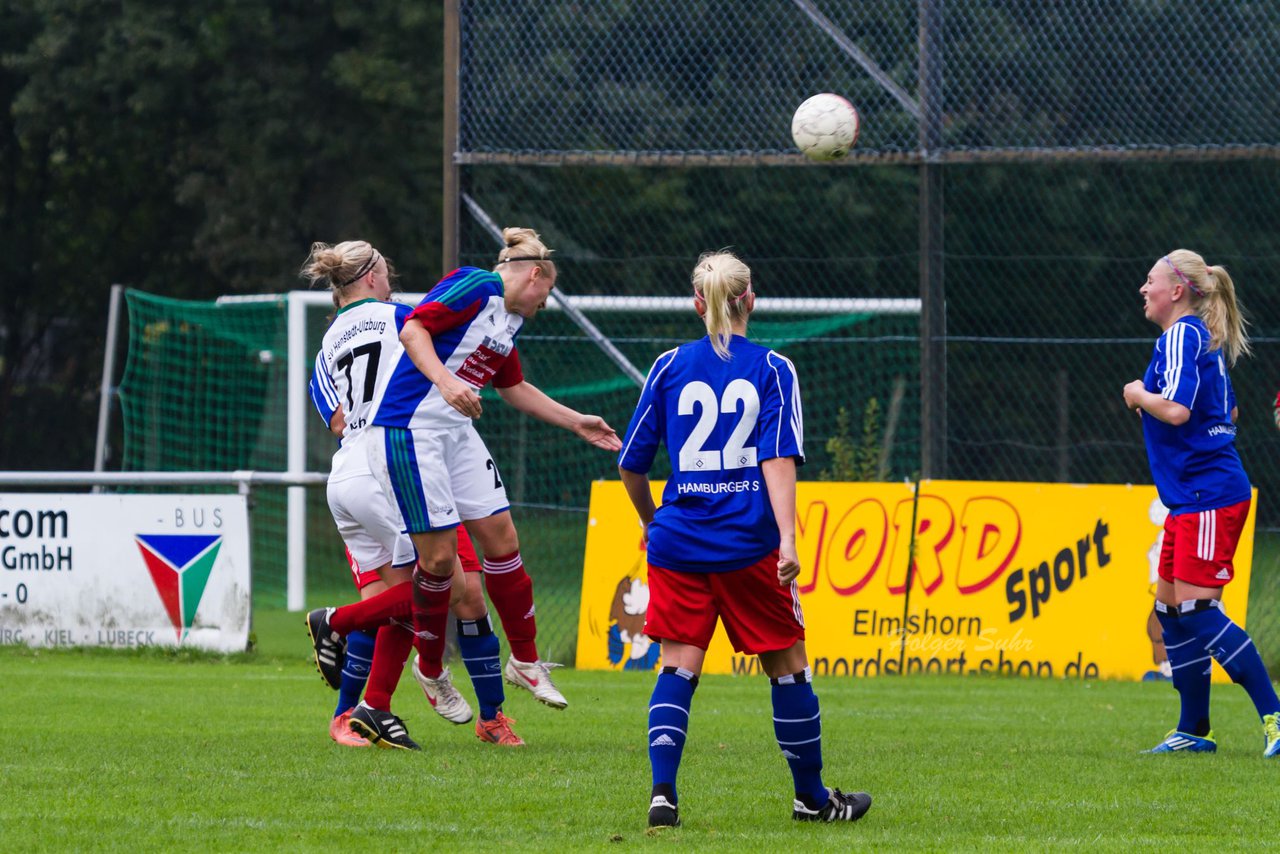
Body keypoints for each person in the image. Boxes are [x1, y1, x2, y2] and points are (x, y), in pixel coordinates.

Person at [617, 250, 872, 828]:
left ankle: (662, 794)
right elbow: (778, 458)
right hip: (747, 546)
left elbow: (632, 465)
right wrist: (788, 538)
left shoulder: (668, 365)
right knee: (788, 667)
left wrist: (653, 521)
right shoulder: (773, 369)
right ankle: (811, 798)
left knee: (678, 665)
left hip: (679, 543)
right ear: (750, 299)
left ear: (696, 303)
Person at [365, 227, 622, 746]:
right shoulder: (476, 284)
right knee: (440, 564)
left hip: (456, 433)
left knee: (503, 541)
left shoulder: (507, 321)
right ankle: (431, 668)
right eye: (546, 294)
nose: (544, 304)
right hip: (409, 429)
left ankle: (525, 662)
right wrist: (446, 381)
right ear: (533, 274)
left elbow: (513, 388)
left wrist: (577, 422)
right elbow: (412, 330)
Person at [302, 240, 486, 750]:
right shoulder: (408, 318)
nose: (392, 278)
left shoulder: (326, 347)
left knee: (396, 602)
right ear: (372, 277)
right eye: (387, 269)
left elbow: (338, 420)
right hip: (388, 467)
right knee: (443, 586)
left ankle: (360, 715)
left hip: (344, 477)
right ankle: (333, 623)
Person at [1123, 249, 1280, 757]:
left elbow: (1176, 410)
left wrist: (1138, 394)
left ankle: (1275, 717)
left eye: (1150, 281)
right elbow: (1225, 408)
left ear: (1176, 290)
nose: (1143, 289)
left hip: (1206, 496)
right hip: (1194, 497)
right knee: (1171, 610)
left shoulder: (1180, 335)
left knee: (1196, 609)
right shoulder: (1198, 338)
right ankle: (1194, 729)